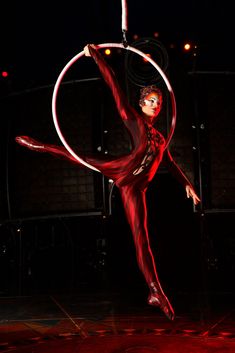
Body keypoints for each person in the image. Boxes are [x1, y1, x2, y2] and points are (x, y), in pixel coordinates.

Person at [15, 44, 200, 320]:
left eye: (158, 102)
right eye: (150, 100)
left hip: (135, 188)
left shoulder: (161, 139)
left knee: (142, 240)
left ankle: (155, 291)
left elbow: (170, 163)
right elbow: (115, 88)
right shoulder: (135, 121)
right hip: (122, 169)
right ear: (141, 104)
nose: (155, 105)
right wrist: (97, 57)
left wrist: (187, 183)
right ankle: (39, 146)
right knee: (78, 157)